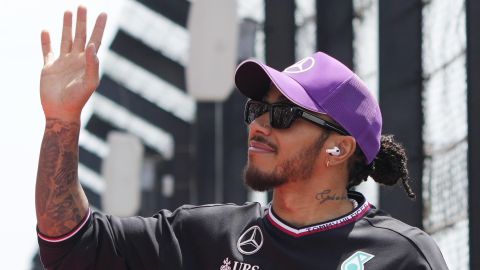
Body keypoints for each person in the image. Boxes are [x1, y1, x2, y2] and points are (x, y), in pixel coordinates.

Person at [36, 6, 449, 270]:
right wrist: (62, 122)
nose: (259, 124)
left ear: (338, 148)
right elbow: (72, 243)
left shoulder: (401, 257)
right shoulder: (204, 236)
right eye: (258, 109)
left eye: (284, 114)